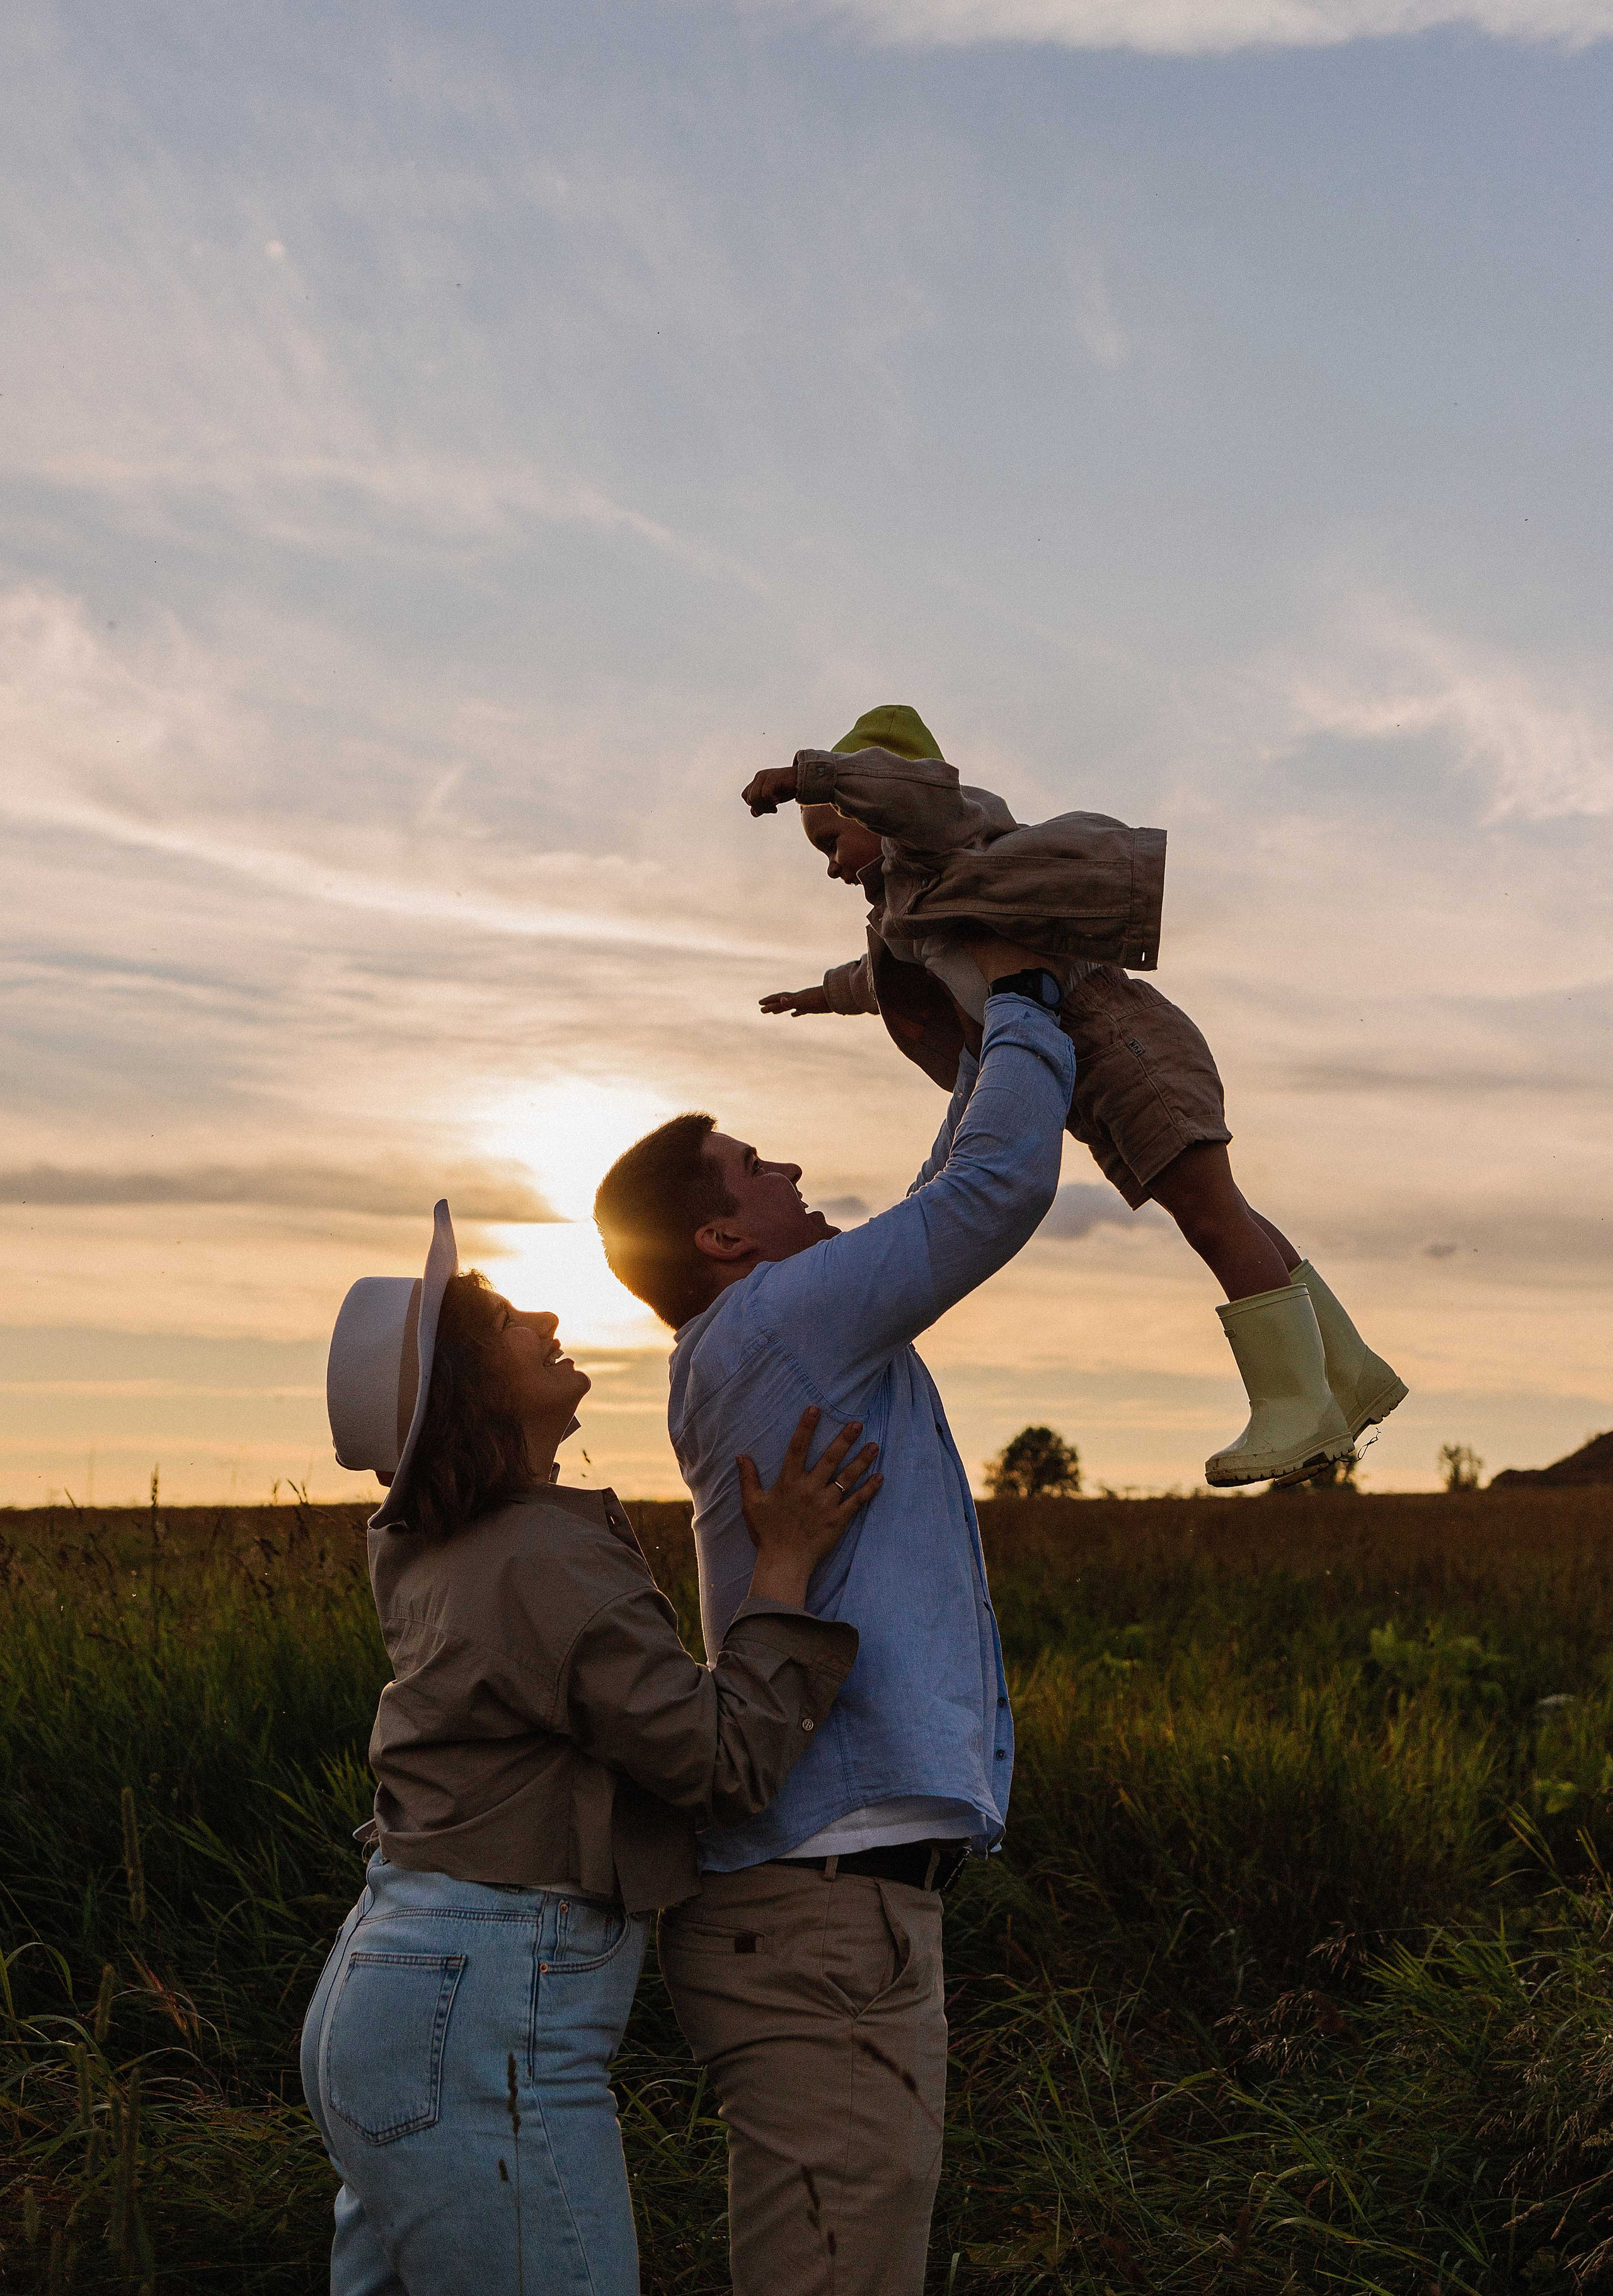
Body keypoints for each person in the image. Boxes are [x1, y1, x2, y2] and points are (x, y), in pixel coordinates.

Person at [592, 941, 1076, 2296]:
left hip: (824, 1905)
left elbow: (942, 1191)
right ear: (721, 1240)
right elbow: (992, 1188)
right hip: (819, 1909)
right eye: (758, 1169)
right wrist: (1028, 998)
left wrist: (973, 1025)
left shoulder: (778, 1333)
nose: (794, 1175)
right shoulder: (783, 1324)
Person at [300, 1199, 881, 2296]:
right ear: (473, 1389)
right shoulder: (541, 1561)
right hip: (478, 2016)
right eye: (508, 1318)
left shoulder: (431, 1547)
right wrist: (788, 1567)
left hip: (394, 1985)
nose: (548, 1312)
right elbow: (722, 1765)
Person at [743, 702, 1407, 1488]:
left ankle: (1296, 1405)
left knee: (1211, 1215)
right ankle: (1347, 1373)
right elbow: (884, 981)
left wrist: (809, 776)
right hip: (1090, 1065)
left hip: (1120, 1039)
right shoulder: (915, 905)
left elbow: (915, 797)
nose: (828, 864)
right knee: (1223, 1210)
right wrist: (816, 996)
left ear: (870, 802)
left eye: (830, 839)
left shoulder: (945, 833)